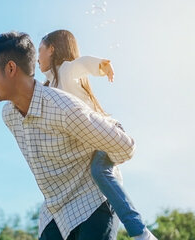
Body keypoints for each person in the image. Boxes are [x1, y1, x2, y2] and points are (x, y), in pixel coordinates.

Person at [0, 31, 136, 240]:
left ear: (10, 68)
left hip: (91, 201)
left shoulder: (62, 108)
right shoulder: (9, 115)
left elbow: (125, 146)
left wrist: (98, 165)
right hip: (54, 211)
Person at [38, 30, 156, 240]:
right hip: (94, 139)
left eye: (40, 50)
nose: (37, 57)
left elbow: (81, 64)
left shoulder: (65, 70)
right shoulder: (49, 86)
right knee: (98, 172)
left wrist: (101, 65)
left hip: (107, 132)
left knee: (99, 171)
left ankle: (140, 232)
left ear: (52, 49)